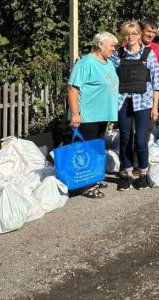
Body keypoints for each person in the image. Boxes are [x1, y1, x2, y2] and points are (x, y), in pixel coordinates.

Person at [111, 21, 159, 191]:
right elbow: (105, 70)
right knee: (125, 139)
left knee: (140, 141)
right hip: (123, 102)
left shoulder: (149, 54)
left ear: (139, 35)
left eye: (133, 34)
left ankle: (142, 173)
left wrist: (155, 107)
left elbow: (156, 82)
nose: (130, 37)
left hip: (144, 103)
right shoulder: (118, 55)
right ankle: (126, 173)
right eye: (127, 34)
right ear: (123, 36)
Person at [66, 32, 119, 198]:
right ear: (100, 45)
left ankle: (93, 179)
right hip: (87, 116)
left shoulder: (108, 63)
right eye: (111, 45)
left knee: (95, 149)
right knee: (85, 151)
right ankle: (84, 186)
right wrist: (75, 114)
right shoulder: (85, 63)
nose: (114, 49)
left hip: (101, 115)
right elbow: (72, 89)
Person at [140, 18, 159, 108]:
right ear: (141, 31)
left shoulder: (156, 48)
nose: (151, 35)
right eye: (148, 31)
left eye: (154, 32)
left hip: (150, 94)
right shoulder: (129, 45)